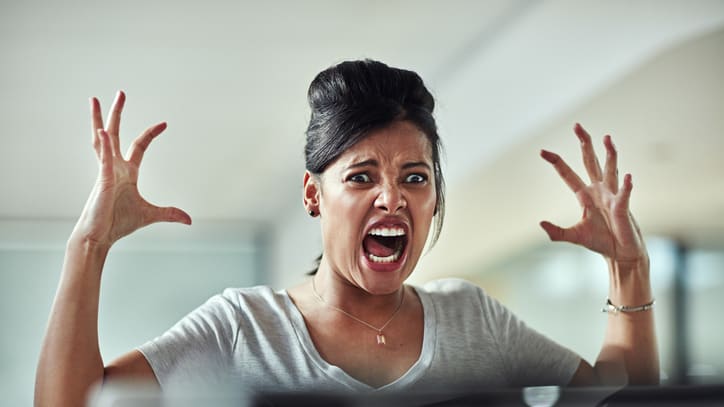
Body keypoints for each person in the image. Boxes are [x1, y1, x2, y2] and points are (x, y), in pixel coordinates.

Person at [35, 59, 658, 406]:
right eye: (361, 177)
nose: (393, 196)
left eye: (415, 178)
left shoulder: (473, 319)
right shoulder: (241, 327)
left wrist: (630, 268)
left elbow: (618, 400)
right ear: (314, 195)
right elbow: (73, 404)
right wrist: (87, 247)